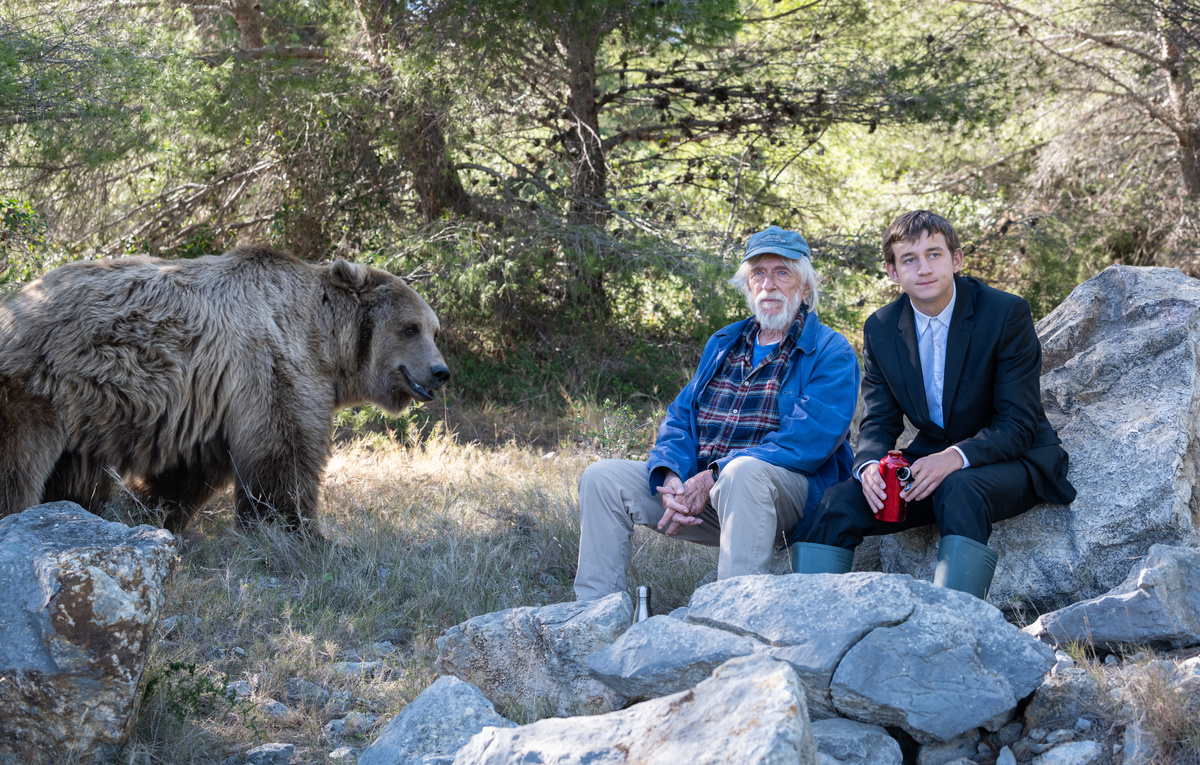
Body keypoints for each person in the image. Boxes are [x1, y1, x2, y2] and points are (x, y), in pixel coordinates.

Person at [792, 210, 1076, 599]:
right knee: (840, 499)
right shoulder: (880, 327)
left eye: (934, 254)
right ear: (893, 272)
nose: (923, 268)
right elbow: (878, 420)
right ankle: (806, 620)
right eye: (909, 259)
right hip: (931, 466)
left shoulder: (1005, 313)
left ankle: (954, 627)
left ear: (956, 260)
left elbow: (1019, 422)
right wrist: (869, 466)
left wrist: (955, 457)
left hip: (1015, 460)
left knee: (959, 488)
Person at [573, 225, 861, 601]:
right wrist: (673, 474)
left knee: (743, 473)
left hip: (785, 499)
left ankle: (730, 618)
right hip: (709, 493)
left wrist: (715, 473)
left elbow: (807, 441)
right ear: (747, 285)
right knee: (602, 478)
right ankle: (592, 615)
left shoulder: (831, 351)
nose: (768, 284)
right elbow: (681, 416)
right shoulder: (725, 342)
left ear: (804, 288)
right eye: (758, 273)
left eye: (782, 273)